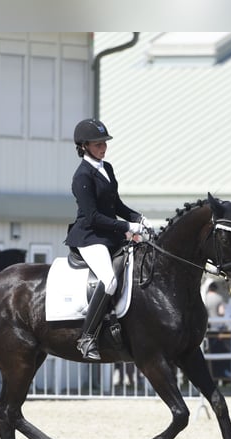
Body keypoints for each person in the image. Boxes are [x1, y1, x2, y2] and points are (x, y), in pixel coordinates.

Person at [65, 118, 151, 360]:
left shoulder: (107, 168)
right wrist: (127, 225)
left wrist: (139, 218)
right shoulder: (82, 176)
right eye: (97, 144)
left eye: (104, 142)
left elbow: (116, 205)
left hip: (110, 234)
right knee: (109, 280)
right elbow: (92, 216)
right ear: (84, 146)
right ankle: (87, 337)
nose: (103, 147)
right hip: (90, 236)